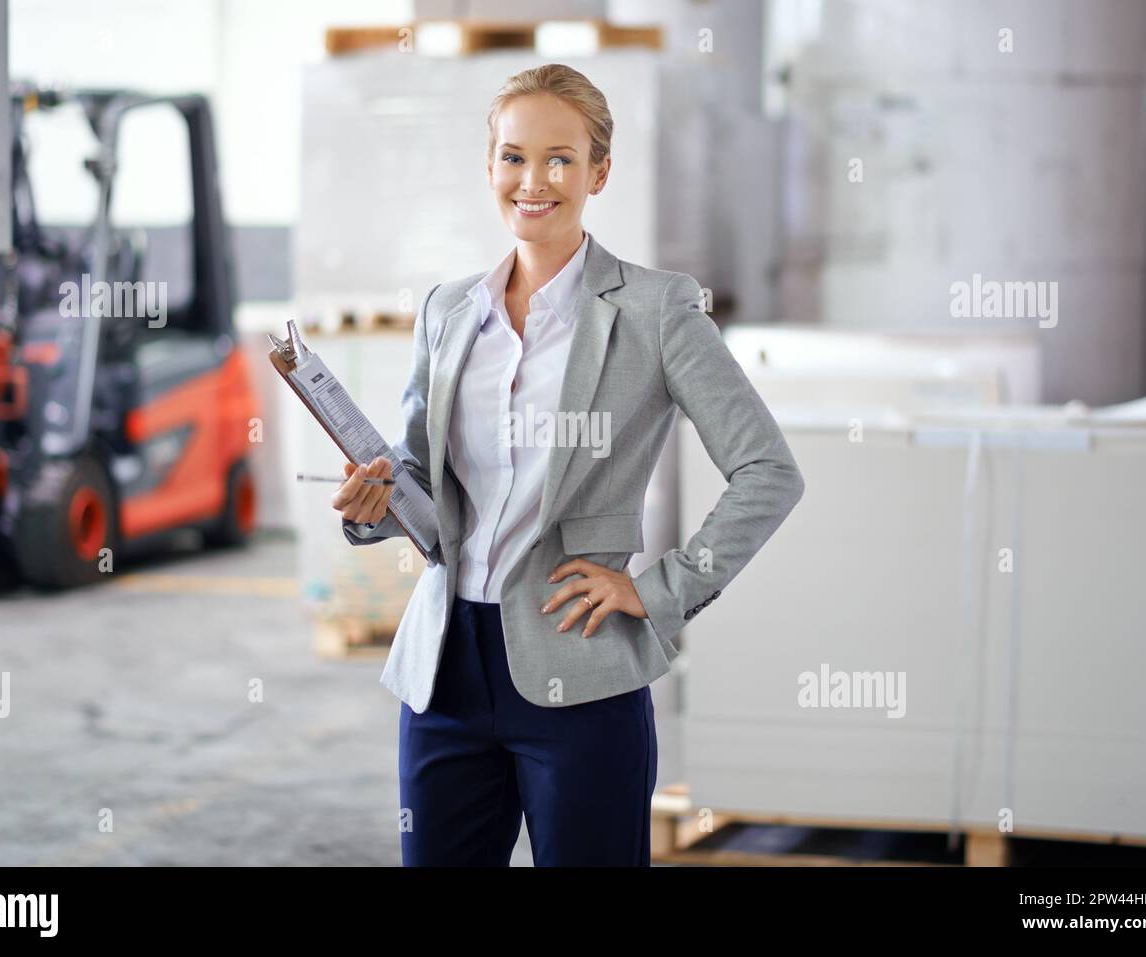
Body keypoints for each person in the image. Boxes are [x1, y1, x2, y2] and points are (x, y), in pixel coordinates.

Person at [331, 63, 805, 866]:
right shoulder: (450, 311)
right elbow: (417, 468)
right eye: (514, 156)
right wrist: (371, 505)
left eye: (560, 158)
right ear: (490, 167)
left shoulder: (657, 310)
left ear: (598, 172)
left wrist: (659, 590)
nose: (534, 180)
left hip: (579, 670)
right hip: (444, 670)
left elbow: (768, 469)